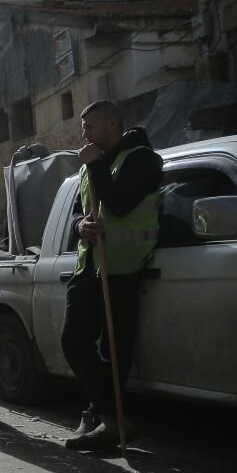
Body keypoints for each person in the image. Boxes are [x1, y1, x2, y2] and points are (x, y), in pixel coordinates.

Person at [61, 100, 162, 450]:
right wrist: (80, 226)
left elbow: (119, 203)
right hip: (89, 266)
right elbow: (80, 211)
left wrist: (95, 164)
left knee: (114, 350)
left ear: (113, 123)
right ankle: (107, 414)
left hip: (122, 267)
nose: (84, 134)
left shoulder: (142, 159)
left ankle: (102, 417)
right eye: (83, 127)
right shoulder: (96, 163)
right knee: (73, 340)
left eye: (90, 127)